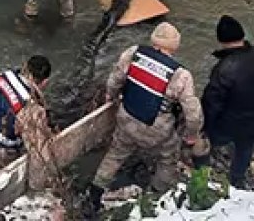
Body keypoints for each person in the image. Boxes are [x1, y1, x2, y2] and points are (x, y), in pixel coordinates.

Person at [87, 22, 203, 209]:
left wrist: (111, 95)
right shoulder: (181, 75)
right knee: (168, 159)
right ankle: (155, 197)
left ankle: (94, 193)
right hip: (157, 130)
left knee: (115, 154)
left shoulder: (134, 53)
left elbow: (115, 79)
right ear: (175, 46)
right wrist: (191, 135)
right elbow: (193, 112)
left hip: (127, 117)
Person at [200, 15, 254, 189]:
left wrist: (204, 126)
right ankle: (237, 178)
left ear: (221, 40)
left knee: (208, 142)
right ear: (242, 35)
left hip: (228, 124)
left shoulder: (224, 68)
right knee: (245, 148)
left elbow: (212, 103)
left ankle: (203, 173)